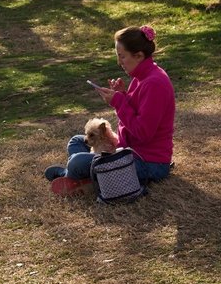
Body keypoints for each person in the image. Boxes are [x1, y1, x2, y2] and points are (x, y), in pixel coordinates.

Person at [44, 25, 175, 195]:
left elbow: (143, 133)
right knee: (77, 141)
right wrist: (122, 95)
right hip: (127, 151)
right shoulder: (141, 77)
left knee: (77, 161)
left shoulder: (154, 83)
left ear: (139, 55)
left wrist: (119, 102)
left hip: (148, 163)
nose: (119, 62)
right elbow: (137, 111)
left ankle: (70, 176)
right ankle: (88, 177)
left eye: (122, 56)